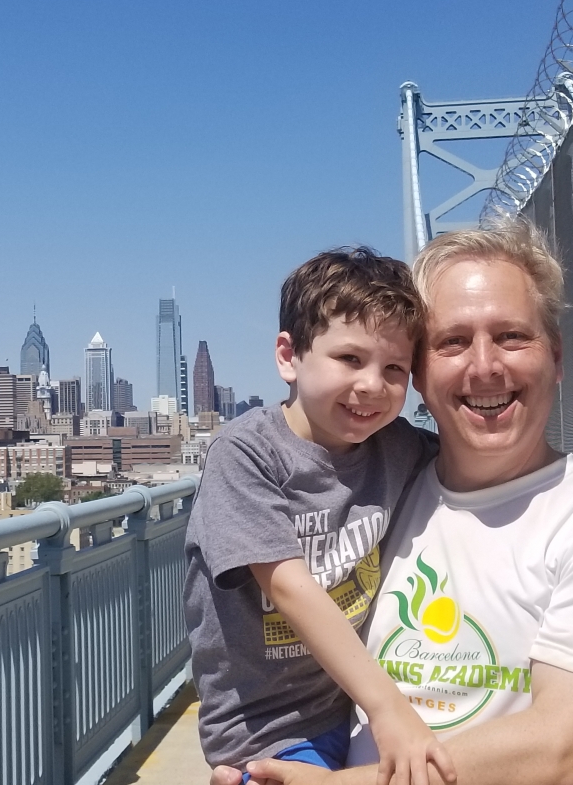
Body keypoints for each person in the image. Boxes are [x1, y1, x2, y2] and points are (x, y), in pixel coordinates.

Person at [218, 220, 573, 785]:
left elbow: (560, 754)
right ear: (421, 374)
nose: (484, 366)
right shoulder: (383, 490)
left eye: (511, 336)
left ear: (555, 359)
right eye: (452, 342)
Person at [185, 247, 456, 785]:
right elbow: (288, 587)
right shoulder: (246, 452)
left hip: (346, 706)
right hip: (266, 729)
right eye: (350, 359)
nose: (373, 385)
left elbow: (474, 467)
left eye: (395, 368)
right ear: (289, 356)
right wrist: (387, 707)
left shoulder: (397, 447)